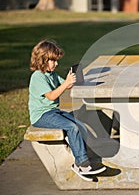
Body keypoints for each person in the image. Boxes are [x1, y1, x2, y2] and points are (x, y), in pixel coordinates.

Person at [28, 39, 106, 178]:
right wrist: (66, 84)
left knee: (79, 123)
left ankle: (82, 153)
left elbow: (65, 85)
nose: (56, 64)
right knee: (72, 127)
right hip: (41, 116)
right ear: (43, 60)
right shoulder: (38, 77)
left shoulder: (51, 75)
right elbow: (52, 96)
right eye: (53, 61)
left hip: (53, 112)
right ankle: (81, 164)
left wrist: (74, 80)